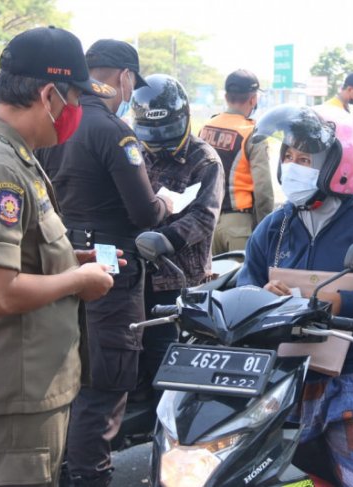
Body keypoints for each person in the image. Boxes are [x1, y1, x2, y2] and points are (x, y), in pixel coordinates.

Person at [0, 26, 117, 486]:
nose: (77, 111)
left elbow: (19, 254)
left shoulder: (12, 153)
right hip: (15, 391)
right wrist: (78, 281)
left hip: (29, 383)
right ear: (48, 95)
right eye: (75, 99)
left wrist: (68, 261)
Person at [237, 104, 353, 486]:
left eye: (304, 159)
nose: (292, 166)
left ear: (337, 167)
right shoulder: (276, 225)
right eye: (288, 156)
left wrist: (346, 302)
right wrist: (260, 295)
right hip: (284, 375)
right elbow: (244, 285)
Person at [35, 39, 170, 486]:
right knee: (103, 390)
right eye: (132, 84)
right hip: (110, 275)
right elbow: (143, 213)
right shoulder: (113, 131)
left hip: (60, 264)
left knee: (63, 386)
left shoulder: (55, 125)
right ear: (125, 77)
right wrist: (166, 203)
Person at [131, 74, 224, 411]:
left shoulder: (205, 160)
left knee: (165, 360)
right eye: (151, 141)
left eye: (166, 139)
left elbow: (203, 218)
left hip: (177, 276)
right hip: (136, 272)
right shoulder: (135, 150)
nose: (158, 148)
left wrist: (163, 240)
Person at [199, 69, 274, 255]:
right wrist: (265, 229)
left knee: (208, 283)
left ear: (226, 97)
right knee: (242, 283)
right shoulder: (253, 133)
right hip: (239, 226)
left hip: (207, 222)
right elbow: (263, 189)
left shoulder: (206, 127)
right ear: (253, 99)